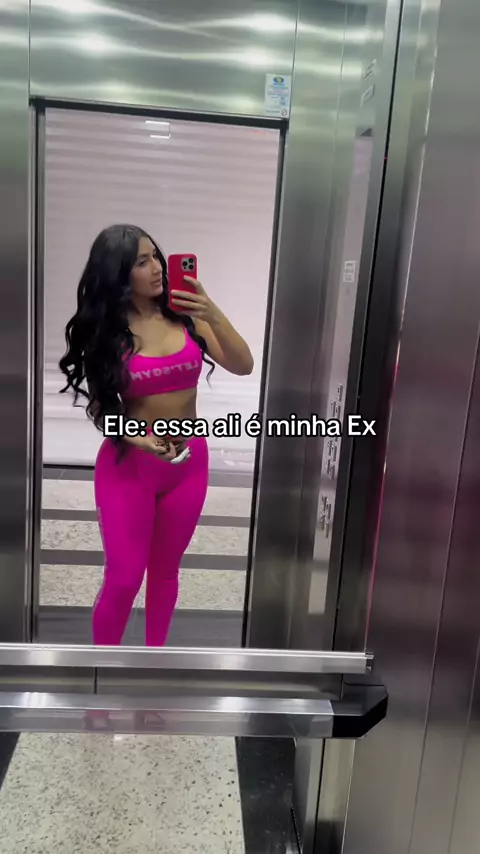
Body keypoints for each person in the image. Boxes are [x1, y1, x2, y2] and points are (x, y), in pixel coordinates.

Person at [59, 223, 253, 647]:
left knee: (165, 573)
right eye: (142, 262)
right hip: (131, 465)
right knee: (124, 579)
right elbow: (101, 409)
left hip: (188, 463)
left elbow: (244, 365)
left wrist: (211, 312)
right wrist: (139, 437)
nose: (157, 268)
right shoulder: (107, 332)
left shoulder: (186, 317)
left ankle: (153, 662)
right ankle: (102, 672)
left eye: (156, 257)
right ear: (119, 273)